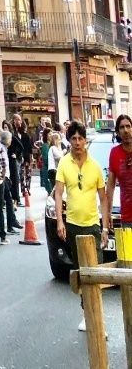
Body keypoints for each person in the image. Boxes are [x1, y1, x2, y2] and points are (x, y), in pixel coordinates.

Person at [55, 120, 107, 334]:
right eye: (73, 138)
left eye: (80, 138)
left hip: (93, 226)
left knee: (97, 273)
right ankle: (87, 314)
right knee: (82, 273)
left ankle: (99, 319)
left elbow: (103, 197)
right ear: (69, 140)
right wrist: (60, 221)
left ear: (86, 140)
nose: (77, 142)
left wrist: (105, 226)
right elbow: (58, 193)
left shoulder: (94, 166)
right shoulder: (64, 164)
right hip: (74, 226)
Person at [104, 113, 132, 238]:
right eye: (122, 127)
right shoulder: (115, 153)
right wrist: (108, 212)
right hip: (127, 217)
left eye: (128, 126)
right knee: (128, 256)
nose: (125, 130)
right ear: (118, 132)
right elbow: (110, 185)